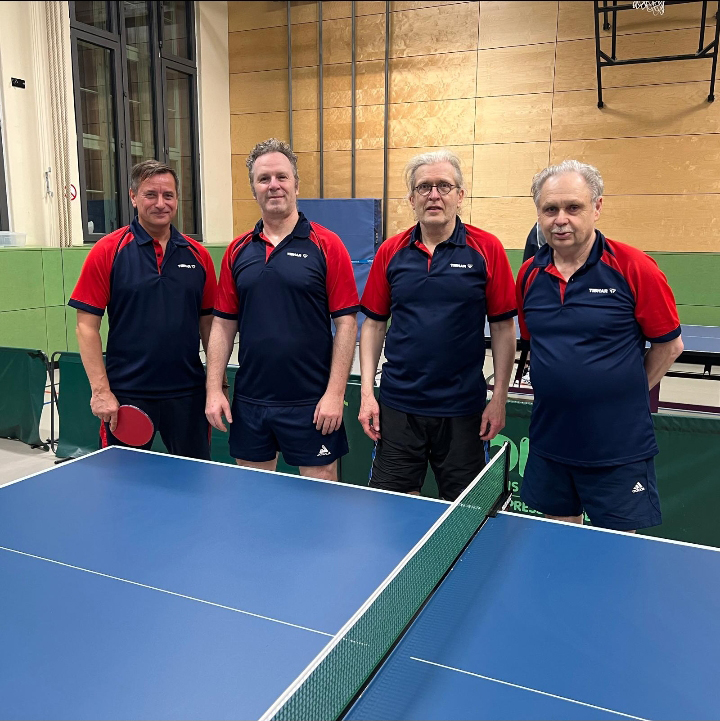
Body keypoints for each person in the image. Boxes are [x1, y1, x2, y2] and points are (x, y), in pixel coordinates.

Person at [516, 159, 684, 531]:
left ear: (597, 207)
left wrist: (626, 392)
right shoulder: (529, 274)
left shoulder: (634, 267)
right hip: (551, 440)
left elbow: (670, 346)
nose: (561, 219)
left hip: (617, 447)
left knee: (617, 550)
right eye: (550, 209)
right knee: (558, 538)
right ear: (539, 214)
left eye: (573, 207)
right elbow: (536, 344)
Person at [358, 150, 518, 501]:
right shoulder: (391, 251)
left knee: (465, 513)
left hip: (463, 409)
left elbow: (504, 328)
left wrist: (500, 398)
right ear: (411, 199)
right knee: (391, 508)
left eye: (443, 186)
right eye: (424, 187)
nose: (433, 195)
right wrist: (367, 393)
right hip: (399, 407)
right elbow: (373, 325)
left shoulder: (486, 249)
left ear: (460, 196)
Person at [205, 138, 358, 481]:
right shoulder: (237, 251)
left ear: (296, 185)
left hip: (312, 402)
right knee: (255, 497)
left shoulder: (327, 244)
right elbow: (223, 325)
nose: (273, 185)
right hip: (251, 401)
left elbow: (347, 324)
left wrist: (335, 394)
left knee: (321, 497)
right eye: (264, 179)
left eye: (281, 177)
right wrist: (214, 389)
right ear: (254, 189)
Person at [69, 160, 217, 459]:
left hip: (187, 393)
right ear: (133, 197)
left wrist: (217, 384)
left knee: (195, 479)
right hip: (127, 395)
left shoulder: (199, 255)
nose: (161, 203)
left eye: (168, 195)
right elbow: (86, 326)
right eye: (151, 194)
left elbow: (209, 326)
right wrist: (101, 391)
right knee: (124, 481)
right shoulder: (108, 251)